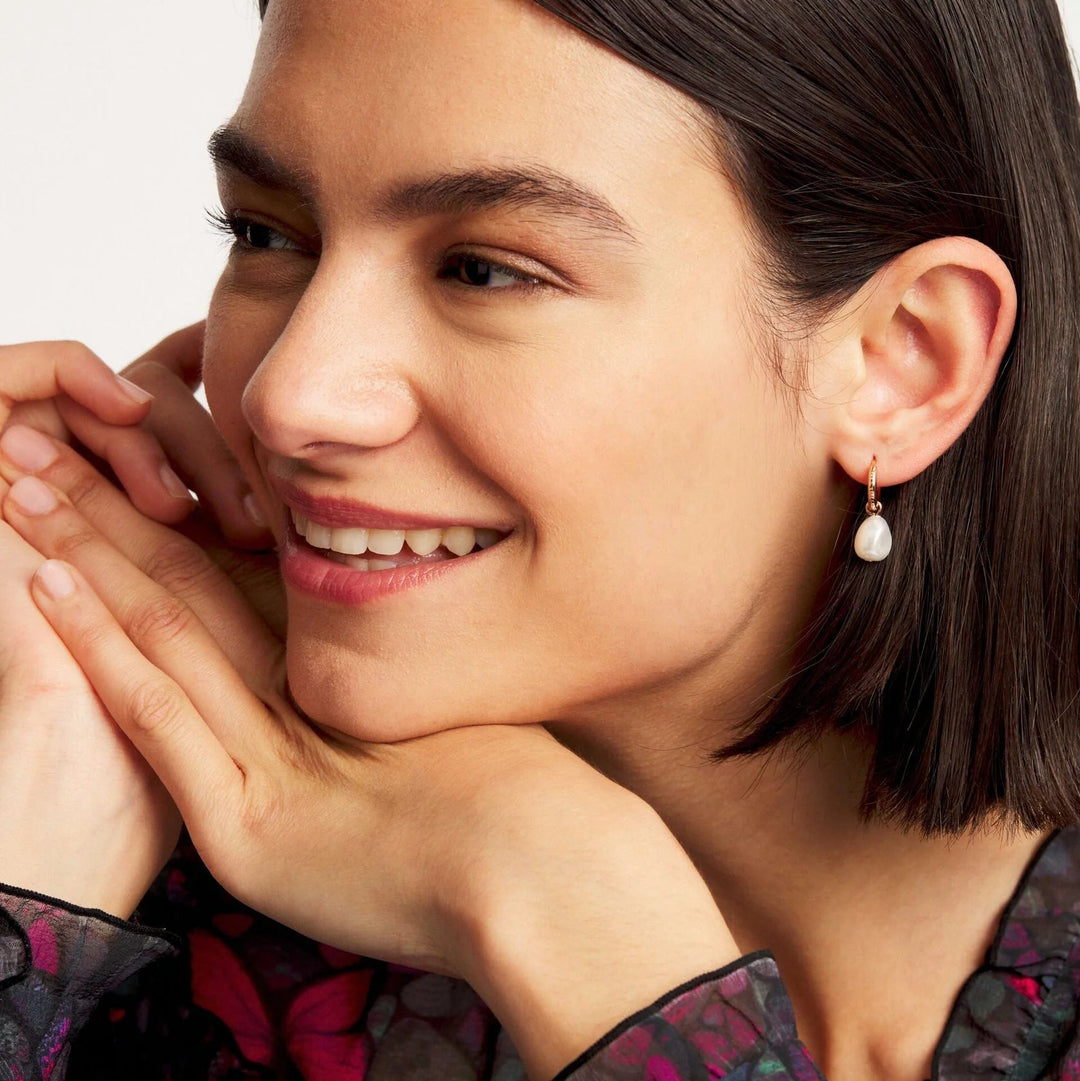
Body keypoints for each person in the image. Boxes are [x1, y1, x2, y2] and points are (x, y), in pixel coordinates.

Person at [0, 0, 1078, 1078]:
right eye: (267, 232)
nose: (290, 393)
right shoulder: (177, 882)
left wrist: (582, 934)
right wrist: (39, 807)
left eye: (484, 268)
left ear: (902, 362)